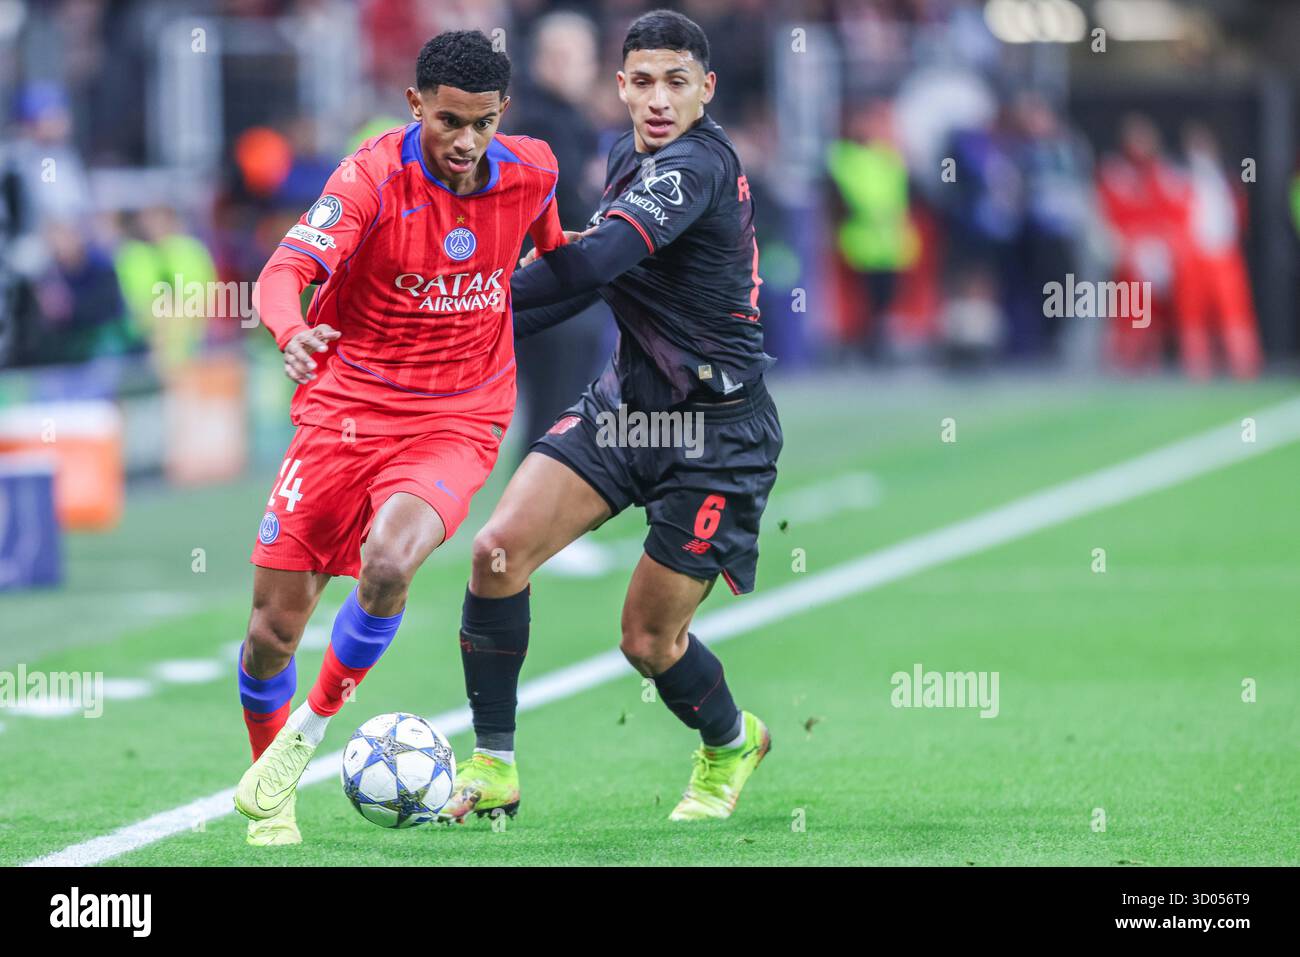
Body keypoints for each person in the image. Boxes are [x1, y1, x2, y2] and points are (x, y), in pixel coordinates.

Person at [441, 9, 782, 825]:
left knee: (646, 641)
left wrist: (468, 299)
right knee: (495, 553)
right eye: (642, 81)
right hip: (628, 408)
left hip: (714, 436)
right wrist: (462, 324)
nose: (658, 98)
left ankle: (731, 740)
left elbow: (593, 258)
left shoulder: (695, 166)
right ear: (619, 87)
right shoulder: (628, 151)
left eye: (676, 81)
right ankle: (493, 765)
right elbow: (597, 280)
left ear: (707, 88)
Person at [231, 30, 566, 846]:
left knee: (388, 562)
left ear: (503, 114)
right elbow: (283, 273)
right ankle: (275, 789)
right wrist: (288, 332)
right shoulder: (371, 177)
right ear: (415, 105)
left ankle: (307, 735)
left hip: (458, 415)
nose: (466, 141)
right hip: (341, 409)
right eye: (450, 120)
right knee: (273, 633)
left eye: (483, 122)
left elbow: (560, 259)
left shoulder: (534, 172)